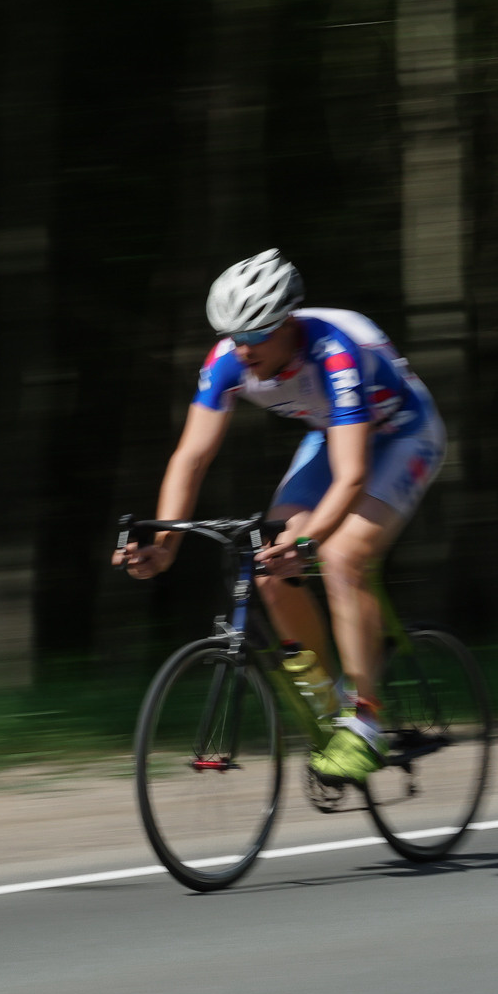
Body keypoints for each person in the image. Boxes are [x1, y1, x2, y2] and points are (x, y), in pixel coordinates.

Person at [119, 250, 445, 783]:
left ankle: (365, 719)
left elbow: (352, 477)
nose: (244, 349)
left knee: (341, 557)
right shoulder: (229, 359)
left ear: (288, 323)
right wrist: (165, 544)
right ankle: (330, 703)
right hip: (333, 435)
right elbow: (191, 457)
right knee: (268, 565)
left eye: (256, 336)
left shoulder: (336, 352)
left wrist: (309, 541)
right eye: (234, 337)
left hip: (405, 436)